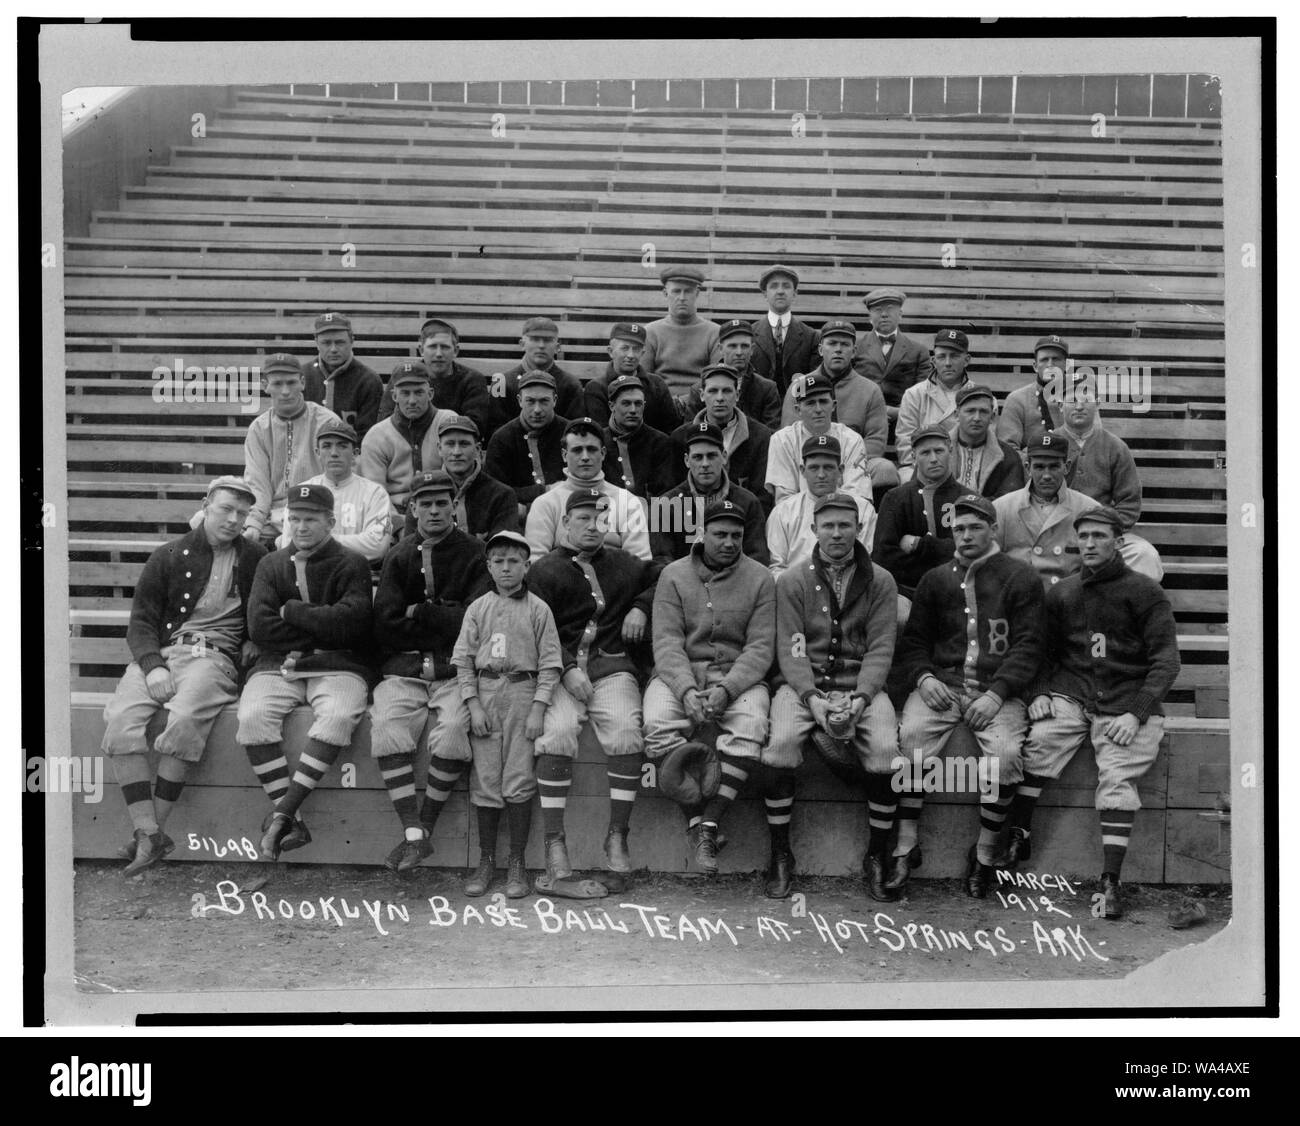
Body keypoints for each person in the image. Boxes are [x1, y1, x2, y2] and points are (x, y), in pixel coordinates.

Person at [1001, 506, 1180, 919]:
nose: (1090, 544)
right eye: (1084, 537)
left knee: (1118, 775)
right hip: (1074, 691)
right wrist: (1040, 691)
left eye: (1100, 536)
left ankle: (1110, 881)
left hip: (1125, 699)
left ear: (1119, 543)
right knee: (1041, 741)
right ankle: (1019, 831)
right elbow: (1041, 650)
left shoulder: (1145, 591)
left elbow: (1167, 661)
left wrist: (1137, 712)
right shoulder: (1063, 590)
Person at [102, 477, 266, 874]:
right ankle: (151, 833)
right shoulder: (170, 555)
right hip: (163, 652)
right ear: (206, 505)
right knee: (121, 721)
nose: (233, 519)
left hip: (214, 658)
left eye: (242, 514)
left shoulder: (257, 557)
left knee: (185, 719)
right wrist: (153, 665)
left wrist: (257, 641)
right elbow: (140, 622)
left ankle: (148, 834)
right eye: (225, 509)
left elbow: (269, 611)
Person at [890, 494, 1044, 899]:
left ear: (993, 529)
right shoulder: (937, 578)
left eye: (976, 527)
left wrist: (998, 694)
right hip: (943, 686)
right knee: (912, 740)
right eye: (959, 528)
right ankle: (906, 845)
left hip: (997, 692)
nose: (966, 535)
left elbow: (1029, 646)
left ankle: (986, 854)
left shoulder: (1020, 577)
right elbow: (915, 643)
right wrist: (923, 678)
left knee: (1007, 755)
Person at [766, 492, 900, 901]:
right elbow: (792, 647)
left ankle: (878, 854)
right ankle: (779, 854)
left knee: (885, 752)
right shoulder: (793, 579)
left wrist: (860, 699)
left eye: (845, 525)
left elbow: (880, 649)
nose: (837, 533)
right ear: (813, 530)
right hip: (805, 686)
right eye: (829, 525)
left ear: (859, 529)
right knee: (782, 744)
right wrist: (813, 698)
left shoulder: (880, 579)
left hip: (860, 685)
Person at [528, 489, 661, 893]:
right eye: (583, 518)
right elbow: (539, 631)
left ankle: (617, 834)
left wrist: (641, 605)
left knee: (625, 731)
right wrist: (566, 668)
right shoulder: (544, 570)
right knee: (557, 734)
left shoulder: (624, 564)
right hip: (560, 673)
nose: (592, 525)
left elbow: (665, 575)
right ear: (565, 523)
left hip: (611, 667)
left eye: (601, 518)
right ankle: (555, 842)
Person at [238, 483, 373, 863]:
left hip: (337, 662)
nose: (300, 527)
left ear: (330, 521)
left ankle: (280, 814)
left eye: (310, 519)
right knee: (251, 718)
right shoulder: (271, 563)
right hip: (277, 664)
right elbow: (260, 627)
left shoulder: (352, 562)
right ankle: (293, 819)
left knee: (338, 716)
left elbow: (352, 626)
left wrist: (291, 610)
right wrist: (323, 622)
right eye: (293, 518)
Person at [643, 499, 776, 874]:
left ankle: (709, 822)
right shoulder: (673, 573)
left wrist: (727, 690)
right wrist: (685, 690)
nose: (729, 542)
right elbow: (666, 642)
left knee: (750, 726)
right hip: (680, 673)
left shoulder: (761, 577)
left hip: (738, 676)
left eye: (736, 535)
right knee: (656, 725)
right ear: (701, 534)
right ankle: (698, 821)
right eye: (720, 534)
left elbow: (761, 646)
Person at [368, 471, 492, 872]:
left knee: (455, 730)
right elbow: (384, 624)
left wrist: (419, 612)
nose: (435, 510)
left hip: (455, 670)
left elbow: (473, 623)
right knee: (387, 725)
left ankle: (426, 828)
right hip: (404, 669)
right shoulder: (399, 555)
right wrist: (444, 616)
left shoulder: (475, 552)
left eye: (443, 502)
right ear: (413, 508)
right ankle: (414, 834)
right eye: (427, 503)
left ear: (454, 505)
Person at [450, 530, 564, 899]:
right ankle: (486, 861)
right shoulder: (478, 607)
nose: (506, 568)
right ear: (488, 566)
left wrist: (538, 708)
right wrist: (472, 703)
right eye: (498, 561)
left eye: (514, 560)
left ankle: (516, 861)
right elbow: (464, 662)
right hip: (486, 691)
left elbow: (550, 665)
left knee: (518, 777)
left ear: (526, 565)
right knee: (486, 779)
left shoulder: (538, 608)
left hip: (521, 691)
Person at [240, 352, 342, 549]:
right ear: (265, 385)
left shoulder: (327, 422)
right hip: (272, 514)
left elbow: (336, 479)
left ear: (302, 382)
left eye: (291, 382)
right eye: (277, 384)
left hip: (313, 512)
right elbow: (257, 483)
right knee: (208, 522)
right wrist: (253, 523)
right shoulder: (259, 428)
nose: (285, 391)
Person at [1056, 393, 1164, 580]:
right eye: (1072, 400)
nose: (1079, 406)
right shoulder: (1047, 443)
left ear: (1097, 404)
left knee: (1145, 555)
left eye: (1086, 400)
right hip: (1056, 533)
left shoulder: (1115, 446)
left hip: (1101, 532)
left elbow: (1129, 502)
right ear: (1060, 405)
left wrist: (1105, 529)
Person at [871, 425, 969, 624]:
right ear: (914, 457)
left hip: (956, 589)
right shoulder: (896, 498)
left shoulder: (966, 498)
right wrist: (944, 551)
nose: (933, 458)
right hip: (906, 591)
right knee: (901, 616)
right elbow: (884, 557)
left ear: (950, 451)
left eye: (939, 450)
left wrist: (919, 545)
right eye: (925, 452)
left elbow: (969, 552)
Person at [524, 417, 651, 561]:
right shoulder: (546, 503)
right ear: (565, 455)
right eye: (577, 450)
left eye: (591, 450)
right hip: (560, 580)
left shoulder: (627, 501)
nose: (585, 457)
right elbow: (535, 561)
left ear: (603, 454)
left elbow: (640, 561)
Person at [274, 421, 394, 565]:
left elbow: (377, 547)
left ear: (355, 453)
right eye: (326, 446)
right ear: (317, 452)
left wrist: (317, 540)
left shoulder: (375, 493)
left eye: (342, 446)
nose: (334, 453)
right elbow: (289, 544)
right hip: (309, 571)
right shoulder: (302, 491)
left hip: (356, 571)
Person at [650, 421, 768, 566]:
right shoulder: (665, 505)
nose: (705, 464)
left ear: (724, 456)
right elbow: (662, 560)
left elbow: (757, 558)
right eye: (698, 457)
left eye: (711, 456)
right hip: (683, 585)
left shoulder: (748, 502)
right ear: (687, 460)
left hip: (735, 584)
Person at [358, 359, 458, 526]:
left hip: (441, 513)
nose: (412, 400)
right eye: (405, 393)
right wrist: (397, 526)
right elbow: (376, 494)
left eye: (419, 392)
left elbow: (460, 478)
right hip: (395, 514)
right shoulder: (376, 436)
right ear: (394, 396)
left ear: (430, 394)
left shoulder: (447, 422)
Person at [992, 432, 1096, 590]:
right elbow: (989, 564)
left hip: (1068, 602)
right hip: (1018, 601)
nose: (1046, 475)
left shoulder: (1088, 509)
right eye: (1039, 467)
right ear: (1028, 468)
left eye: (1054, 466)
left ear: (1066, 467)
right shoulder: (1002, 508)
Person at [766, 434, 876, 578]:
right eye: (814, 468)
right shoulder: (783, 511)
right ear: (802, 470)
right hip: (798, 590)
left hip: (849, 587)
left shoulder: (863, 509)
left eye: (828, 467)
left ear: (841, 470)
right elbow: (776, 567)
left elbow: (866, 562)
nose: (821, 475)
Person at [670, 363, 773, 504]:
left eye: (726, 391)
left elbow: (762, 497)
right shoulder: (680, 437)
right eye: (712, 391)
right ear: (701, 395)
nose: (720, 398)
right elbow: (674, 493)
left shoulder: (761, 436)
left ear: (737, 395)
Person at [766, 370, 873, 507]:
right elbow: (784, 500)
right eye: (810, 403)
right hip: (798, 518)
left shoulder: (852, 439)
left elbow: (859, 495)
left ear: (833, 405)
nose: (818, 409)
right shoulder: (782, 440)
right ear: (798, 409)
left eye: (823, 402)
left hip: (843, 515)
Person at [378, 317, 491, 435]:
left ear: (456, 350)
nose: (438, 354)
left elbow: (474, 426)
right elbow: (385, 421)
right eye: (432, 347)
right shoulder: (403, 376)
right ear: (421, 349)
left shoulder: (472, 380)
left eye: (445, 347)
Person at [482, 370, 570, 514]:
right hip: (516, 516)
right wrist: (545, 490)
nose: (537, 409)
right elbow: (494, 492)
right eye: (530, 401)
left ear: (554, 400)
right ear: (519, 400)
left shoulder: (570, 433)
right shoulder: (502, 438)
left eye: (544, 401)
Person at [423, 414, 519, 543]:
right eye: (450, 444)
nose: (456, 452)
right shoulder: (424, 491)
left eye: (464, 444)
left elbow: (502, 550)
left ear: (478, 449)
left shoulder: (502, 495)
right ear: (439, 449)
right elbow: (412, 548)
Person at [485, 315, 585, 438]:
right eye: (535, 339)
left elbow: (575, 431)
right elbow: (495, 430)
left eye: (548, 340)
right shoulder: (502, 383)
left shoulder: (571, 384)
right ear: (522, 344)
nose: (541, 345)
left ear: (557, 347)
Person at [895, 328, 973, 481]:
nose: (948, 363)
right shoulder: (914, 394)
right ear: (933, 361)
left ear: (967, 360)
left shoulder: (979, 396)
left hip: (965, 466)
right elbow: (905, 442)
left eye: (955, 356)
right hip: (922, 466)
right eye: (942, 357)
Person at [679, 319, 782, 431]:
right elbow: (690, 433)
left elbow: (772, 434)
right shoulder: (700, 389)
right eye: (732, 346)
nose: (739, 352)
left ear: (752, 349)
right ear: (721, 349)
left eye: (744, 346)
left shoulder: (767, 389)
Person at [584, 322, 681, 436]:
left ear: (643, 353)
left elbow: (670, 428)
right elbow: (600, 433)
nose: (631, 355)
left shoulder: (656, 384)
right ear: (611, 351)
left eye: (636, 349)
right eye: (624, 348)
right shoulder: (596, 388)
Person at [852, 287, 935, 420]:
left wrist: (896, 412)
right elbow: (847, 386)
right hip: (862, 416)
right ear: (870, 316)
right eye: (878, 310)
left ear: (900, 314)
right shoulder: (855, 347)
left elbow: (923, 392)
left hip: (904, 418)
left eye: (890, 309)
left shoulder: (919, 351)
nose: (884, 314)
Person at [641, 265, 721, 396]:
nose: (682, 297)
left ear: (697, 293)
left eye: (688, 291)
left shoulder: (714, 333)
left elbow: (716, 381)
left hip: (701, 405)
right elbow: (645, 381)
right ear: (665, 293)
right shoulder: (650, 333)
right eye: (676, 291)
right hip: (661, 404)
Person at [302, 311, 384, 439]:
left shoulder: (369, 379)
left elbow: (367, 434)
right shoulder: (302, 375)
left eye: (340, 342)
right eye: (326, 343)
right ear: (316, 342)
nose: (333, 349)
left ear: (352, 341)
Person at [601, 373, 677, 502]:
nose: (633, 409)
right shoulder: (599, 441)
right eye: (626, 403)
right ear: (611, 406)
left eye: (638, 404)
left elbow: (664, 493)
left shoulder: (660, 442)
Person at [749, 264, 821, 398]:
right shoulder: (750, 334)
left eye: (786, 286)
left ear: (795, 293)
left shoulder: (811, 337)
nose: (780, 291)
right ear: (765, 293)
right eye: (774, 286)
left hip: (797, 409)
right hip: (758, 411)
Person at [996, 334, 1071, 451]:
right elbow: (1008, 448)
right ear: (1035, 366)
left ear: (1066, 365)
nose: (1050, 364)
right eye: (1044, 359)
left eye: (1056, 359)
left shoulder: (1080, 398)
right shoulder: (1017, 400)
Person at [949, 385, 1025, 499]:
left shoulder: (1008, 456)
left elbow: (1009, 501)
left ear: (992, 417)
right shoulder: (937, 451)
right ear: (956, 415)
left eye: (983, 412)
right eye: (970, 411)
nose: (976, 418)